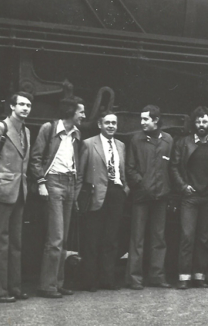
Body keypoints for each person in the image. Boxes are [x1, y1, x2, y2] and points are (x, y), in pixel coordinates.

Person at [30, 96, 85, 298]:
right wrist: (41, 182)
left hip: (69, 183)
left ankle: (57, 282)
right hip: (53, 182)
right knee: (55, 237)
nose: (84, 115)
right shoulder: (49, 129)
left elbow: (75, 161)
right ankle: (47, 285)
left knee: (63, 237)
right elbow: (35, 158)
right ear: (71, 112)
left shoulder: (76, 134)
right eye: (81, 111)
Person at [171, 107, 208, 289]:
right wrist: (183, 186)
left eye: (204, 122)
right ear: (193, 123)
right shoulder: (183, 142)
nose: (201, 125)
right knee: (187, 236)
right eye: (198, 122)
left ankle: (199, 276)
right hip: (190, 197)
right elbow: (174, 166)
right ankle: (184, 277)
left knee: (204, 238)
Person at [125, 105, 174, 290]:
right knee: (137, 238)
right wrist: (142, 184)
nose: (142, 122)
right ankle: (134, 278)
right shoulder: (136, 139)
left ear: (155, 120)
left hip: (161, 196)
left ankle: (157, 276)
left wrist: (165, 188)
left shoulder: (168, 140)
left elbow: (170, 167)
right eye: (141, 119)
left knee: (159, 238)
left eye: (146, 119)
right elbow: (130, 167)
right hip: (142, 196)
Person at [78, 112, 128, 291]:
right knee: (92, 239)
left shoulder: (121, 145)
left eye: (114, 123)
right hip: (96, 194)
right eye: (107, 123)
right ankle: (90, 281)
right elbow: (81, 173)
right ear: (100, 125)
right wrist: (79, 196)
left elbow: (122, 171)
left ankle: (108, 280)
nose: (111, 126)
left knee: (111, 238)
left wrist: (125, 188)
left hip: (116, 194)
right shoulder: (88, 144)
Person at [0, 92, 32, 303]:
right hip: (3, 190)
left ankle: (15, 286)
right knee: (1, 241)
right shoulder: (2, 128)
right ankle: (0, 290)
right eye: (21, 104)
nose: (26, 108)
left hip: (19, 191)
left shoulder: (26, 131)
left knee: (16, 242)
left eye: (28, 105)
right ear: (12, 106)